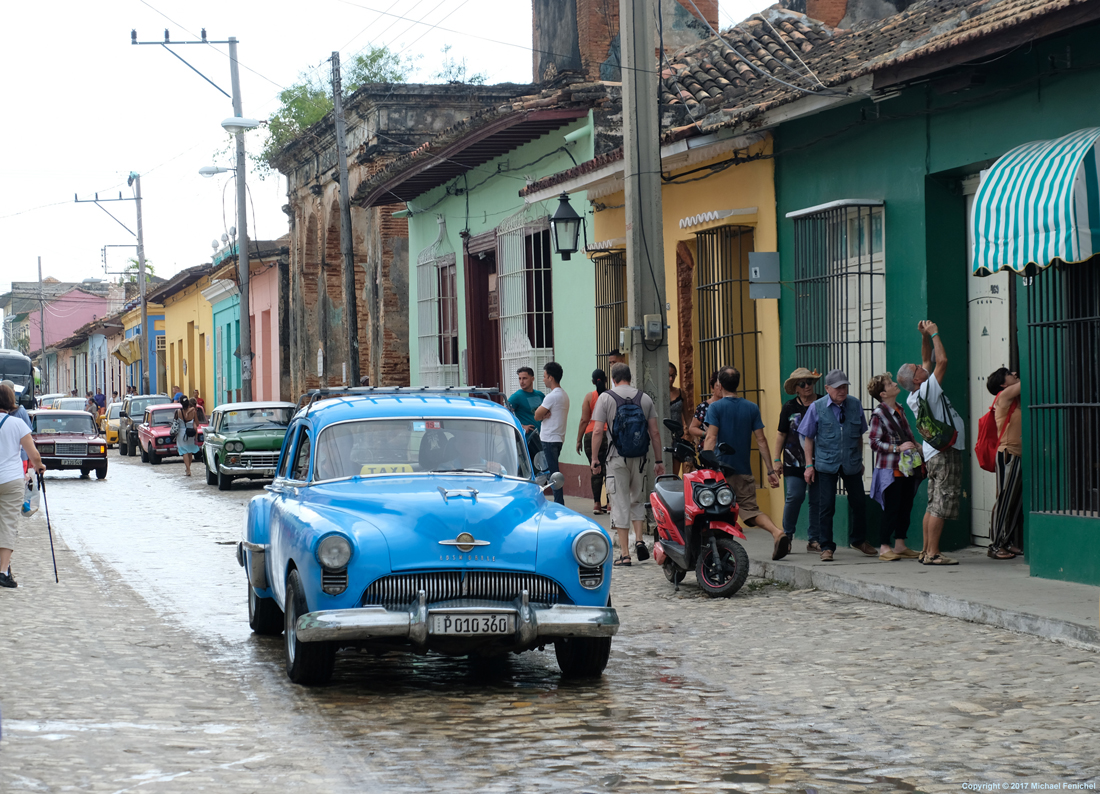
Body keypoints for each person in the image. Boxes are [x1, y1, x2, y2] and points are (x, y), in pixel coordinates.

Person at [704, 366, 791, 561]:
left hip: (720, 470)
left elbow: (711, 437)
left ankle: (721, 553)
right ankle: (777, 532)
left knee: (716, 510)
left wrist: (707, 463)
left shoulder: (715, 407)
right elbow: (761, 441)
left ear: (719, 384)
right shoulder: (751, 407)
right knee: (751, 511)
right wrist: (770, 470)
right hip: (743, 469)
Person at [897, 321, 965, 566]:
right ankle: (934, 553)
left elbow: (926, 360)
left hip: (933, 453)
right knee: (942, 502)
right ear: (916, 380)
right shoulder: (927, 389)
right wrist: (935, 332)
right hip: (945, 453)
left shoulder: (916, 392)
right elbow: (941, 361)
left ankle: (926, 551)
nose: (922, 365)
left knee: (932, 503)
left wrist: (924, 336)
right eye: (917, 369)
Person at [591, 363, 665, 565]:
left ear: (613, 379)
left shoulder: (605, 398)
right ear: (630, 377)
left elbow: (597, 431)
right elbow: (655, 433)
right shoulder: (645, 398)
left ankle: (625, 553)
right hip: (640, 458)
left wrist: (595, 458)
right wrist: (658, 460)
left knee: (619, 502)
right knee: (636, 498)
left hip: (616, 457)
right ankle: (639, 539)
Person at [798, 369, 874, 562]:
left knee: (859, 502)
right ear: (827, 388)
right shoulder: (817, 407)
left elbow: (859, 435)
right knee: (827, 506)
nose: (842, 390)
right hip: (826, 463)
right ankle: (826, 546)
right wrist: (809, 465)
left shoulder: (855, 404)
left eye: (844, 386)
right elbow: (808, 438)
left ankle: (858, 540)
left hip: (851, 462)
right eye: (838, 387)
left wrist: (861, 461)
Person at [866, 373, 922, 561]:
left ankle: (900, 544)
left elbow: (907, 434)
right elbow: (874, 442)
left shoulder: (900, 409)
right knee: (891, 507)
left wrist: (916, 446)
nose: (895, 384)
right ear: (882, 393)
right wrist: (896, 448)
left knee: (905, 506)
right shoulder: (878, 414)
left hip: (907, 467)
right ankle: (884, 547)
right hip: (890, 469)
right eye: (890, 384)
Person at [1, 383, 47, 589]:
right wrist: (39, 466)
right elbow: (33, 454)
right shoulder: (17, 424)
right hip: (11, 480)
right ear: (11, 401)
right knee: (8, 523)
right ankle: (3, 571)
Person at [774, 368, 824, 552]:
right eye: (802, 384)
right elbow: (781, 434)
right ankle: (787, 536)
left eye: (809, 382)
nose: (807, 386)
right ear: (796, 388)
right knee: (794, 496)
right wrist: (776, 459)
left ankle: (814, 539)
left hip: (820, 460)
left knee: (817, 499)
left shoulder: (822, 403)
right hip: (793, 460)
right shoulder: (789, 407)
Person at [986, 367, 1023, 559]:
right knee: (1005, 498)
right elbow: (1030, 382)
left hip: (1019, 454)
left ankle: (1006, 540)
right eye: (1010, 374)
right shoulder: (1005, 394)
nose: (1015, 374)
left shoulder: (1014, 398)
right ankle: (995, 545)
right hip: (1008, 453)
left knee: (1015, 501)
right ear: (1003, 383)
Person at [575, 369, 610, 514]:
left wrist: (578, 440)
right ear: (606, 380)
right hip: (608, 434)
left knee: (595, 468)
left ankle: (596, 504)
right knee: (609, 470)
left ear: (593, 381)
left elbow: (584, 420)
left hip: (590, 434)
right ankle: (610, 504)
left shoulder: (589, 397)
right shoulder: (611, 396)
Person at [534, 362, 569, 505]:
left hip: (549, 438)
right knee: (551, 472)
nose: (543, 379)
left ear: (550, 377)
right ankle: (557, 501)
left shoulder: (552, 397)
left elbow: (536, 415)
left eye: (544, 376)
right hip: (558, 438)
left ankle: (559, 503)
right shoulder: (564, 395)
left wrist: (542, 415)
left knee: (552, 474)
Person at [688, 370, 721, 459]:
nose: (721, 388)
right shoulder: (703, 406)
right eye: (718, 386)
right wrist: (706, 433)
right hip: (708, 448)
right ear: (712, 387)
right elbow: (692, 428)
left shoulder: (729, 406)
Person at [668, 362, 691, 475]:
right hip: (663, 436)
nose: (671, 379)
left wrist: (692, 435)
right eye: (668, 375)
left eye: (673, 376)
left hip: (677, 436)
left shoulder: (681, 393)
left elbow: (687, 416)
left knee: (675, 473)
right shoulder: (657, 394)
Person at [174, 396, 205, 477]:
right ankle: (188, 468)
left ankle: (188, 469)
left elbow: (175, 423)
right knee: (190, 451)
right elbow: (197, 423)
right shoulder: (193, 412)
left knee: (184, 451)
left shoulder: (177, 412)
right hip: (191, 432)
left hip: (181, 433)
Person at [507, 367, 545, 434]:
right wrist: (521, 426)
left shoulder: (540, 395)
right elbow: (505, 414)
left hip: (542, 436)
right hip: (527, 439)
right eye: (520, 378)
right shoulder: (516, 396)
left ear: (532, 379)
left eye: (524, 378)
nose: (521, 382)